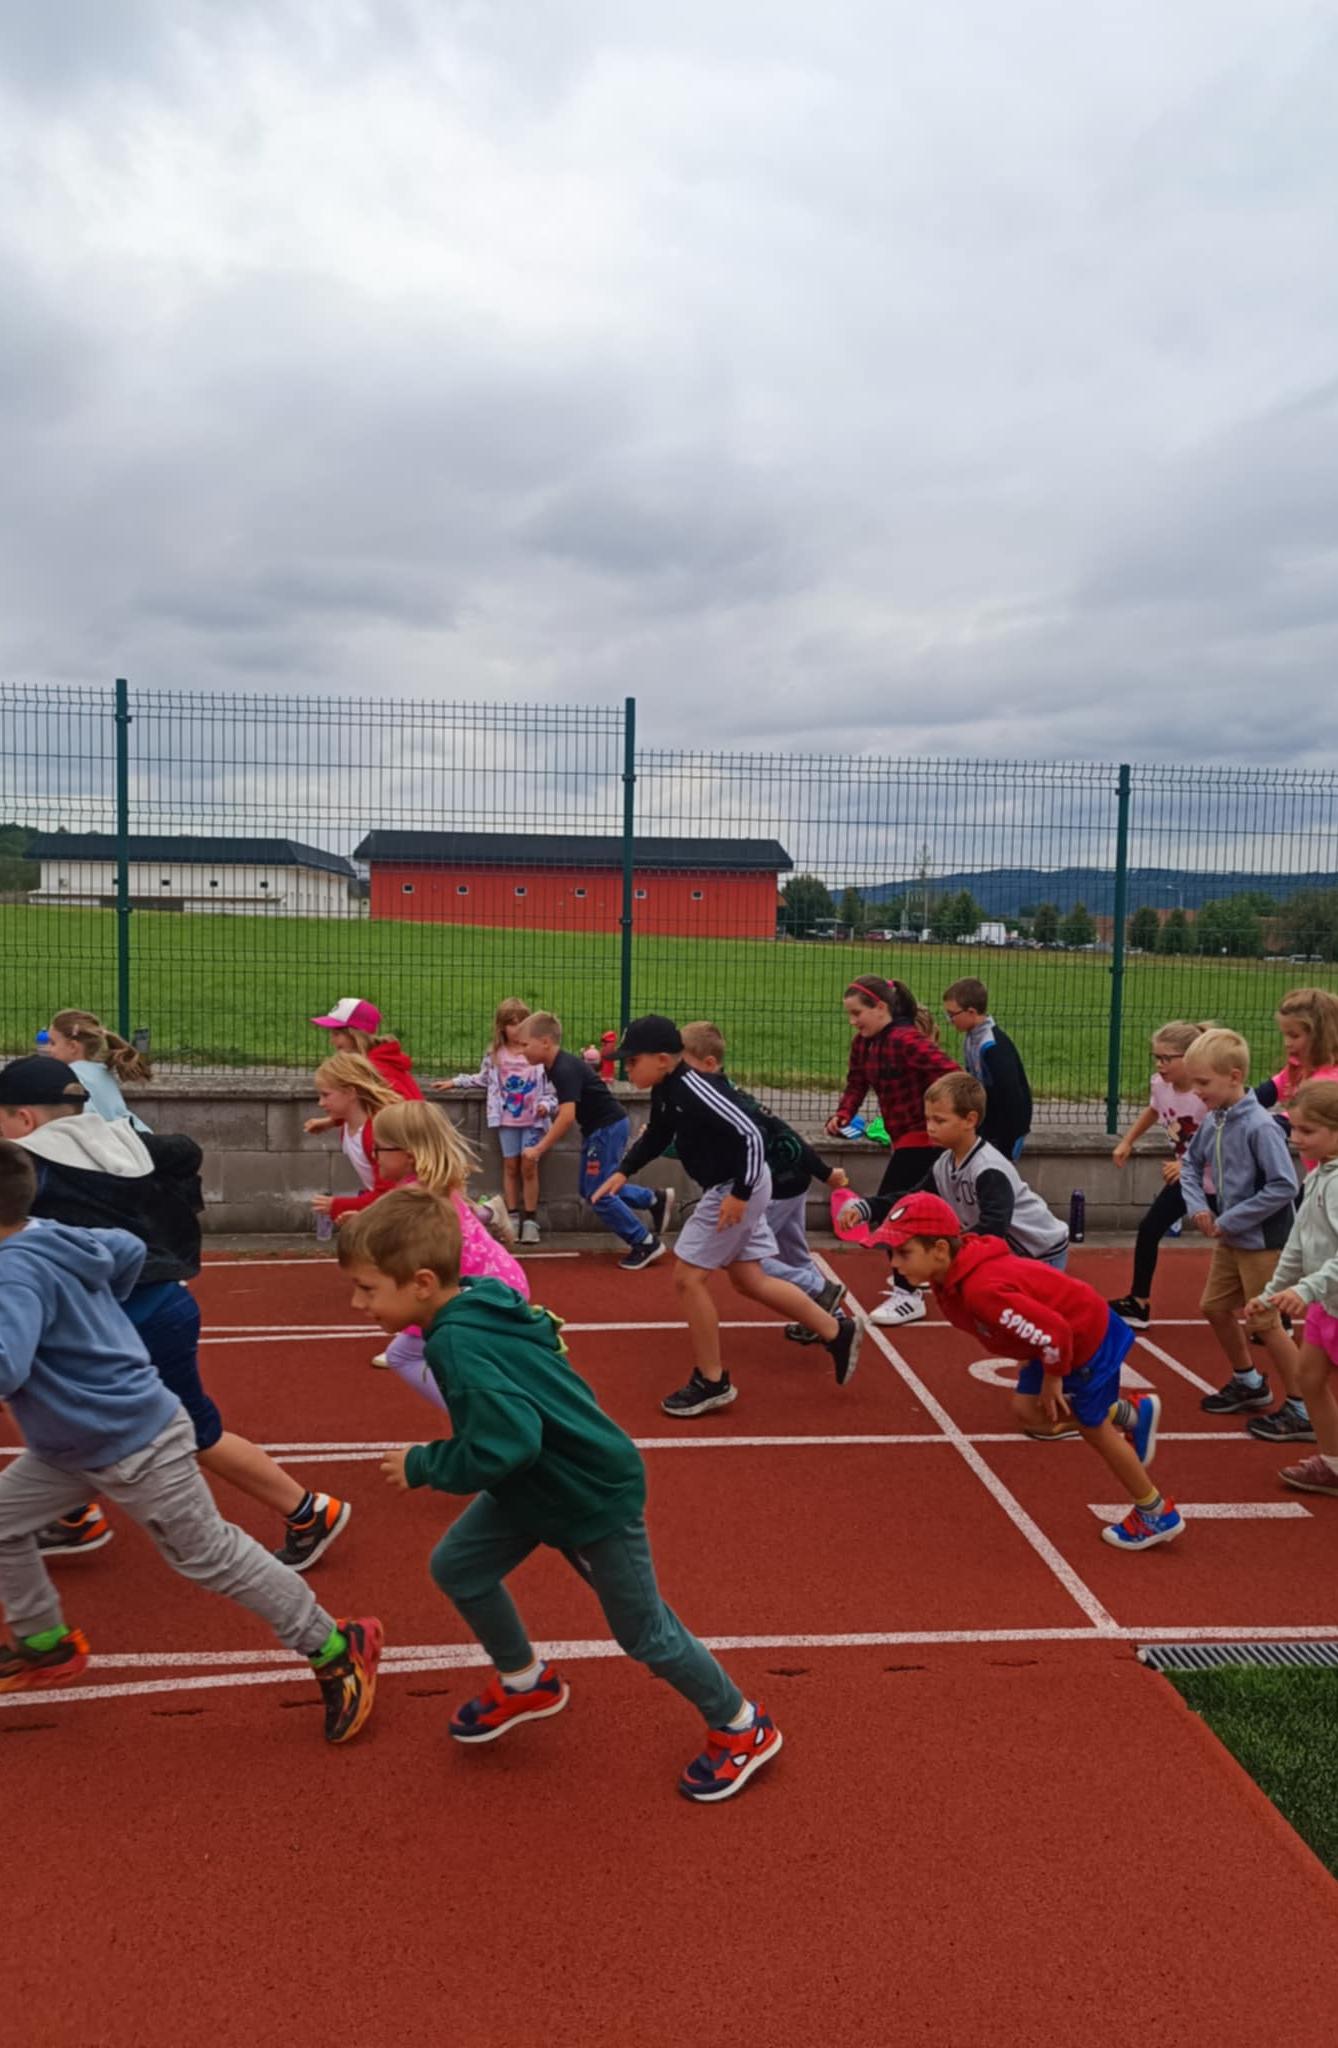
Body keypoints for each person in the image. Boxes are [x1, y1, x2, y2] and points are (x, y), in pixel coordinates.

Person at [339, 1185, 781, 1800]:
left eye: (367, 1288)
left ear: (418, 1283)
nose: (357, 1302)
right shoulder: (477, 1300)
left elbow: (506, 1443)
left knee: (644, 1632)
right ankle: (526, 1682)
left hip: (587, 1493)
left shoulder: (453, 1343)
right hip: (538, 1487)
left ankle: (742, 1725)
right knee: (459, 1566)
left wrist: (425, 1464)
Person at [0, 1139, 381, 1736]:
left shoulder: (12, 1274)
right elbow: (125, 1249)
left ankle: (336, 1645)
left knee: (210, 1558)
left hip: (134, 1441)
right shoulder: (49, 1232)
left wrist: (95, 1327)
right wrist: (102, 1317)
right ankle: (45, 1642)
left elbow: (6, 1366)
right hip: (69, 1447)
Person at [0, 1055, 350, 1572]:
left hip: (130, 1314)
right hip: (157, 1299)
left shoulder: (36, 1167)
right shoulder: (119, 1140)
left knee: (187, 1428)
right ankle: (72, 1515)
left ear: (24, 1119)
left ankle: (309, 1509)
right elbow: (184, 1151)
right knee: (70, 1407)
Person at [875, 1191, 1180, 1549]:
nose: (894, 1263)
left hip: (1083, 1339)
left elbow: (1055, 1331)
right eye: (892, 1253)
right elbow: (1030, 1317)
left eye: (903, 1253)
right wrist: (1026, 1346)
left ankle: (1155, 1511)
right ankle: (1132, 1413)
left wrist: (1053, 1377)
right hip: (1055, 1339)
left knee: (1090, 1425)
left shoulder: (981, 1289)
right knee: (1029, 1413)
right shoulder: (954, 1274)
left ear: (940, 1250)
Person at [595, 1015, 861, 1415]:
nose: (627, 1067)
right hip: (734, 1186)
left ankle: (712, 1379)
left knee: (688, 1278)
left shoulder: (696, 1089)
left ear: (664, 1059)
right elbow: (658, 1135)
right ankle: (835, 1330)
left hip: (737, 1186)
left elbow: (753, 1134)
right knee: (749, 1278)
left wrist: (740, 1193)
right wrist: (623, 1170)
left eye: (633, 1061)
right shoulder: (667, 1090)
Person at [678, 1022, 850, 1345]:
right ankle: (831, 1319)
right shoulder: (714, 1096)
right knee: (794, 1254)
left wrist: (826, 1172)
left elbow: (786, 1134)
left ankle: (820, 1290)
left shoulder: (731, 1103)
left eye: (683, 1064)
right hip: (791, 1184)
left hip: (773, 1188)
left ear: (709, 1064)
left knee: (747, 1262)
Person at [363, 1098, 530, 1402]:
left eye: (379, 1149)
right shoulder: (437, 1186)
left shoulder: (416, 1198)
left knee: (403, 1356)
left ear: (409, 1156)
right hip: (497, 1284)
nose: (375, 1157)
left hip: (476, 1294)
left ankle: (479, 1414)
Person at [1178, 1029, 1301, 1435]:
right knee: (1214, 1307)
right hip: (1231, 1240)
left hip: (1263, 1242)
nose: (1196, 1092)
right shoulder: (1214, 1120)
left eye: (1203, 1083)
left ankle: (1303, 1406)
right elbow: (1190, 1165)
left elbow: (1284, 1185)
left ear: (1234, 1076)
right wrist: (1197, 1207)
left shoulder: (1259, 1126)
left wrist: (1230, 1219)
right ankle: (1248, 1382)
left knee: (1266, 1324)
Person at [824, 976, 959, 1329]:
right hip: (902, 1138)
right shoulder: (864, 1044)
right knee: (925, 1212)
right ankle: (930, 1272)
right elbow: (857, 1082)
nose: (853, 1021)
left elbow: (954, 1076)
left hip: (924, 1140)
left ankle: (907, 1296)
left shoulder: (906, 1040)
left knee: (895, 1214)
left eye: (858, 1013)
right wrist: (844, 1114)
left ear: (881, 1008)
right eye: (850, 1015)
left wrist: (936, 1117)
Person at [838, 1071, 1068, 1266]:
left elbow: (995, 1225)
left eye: (939, 1121)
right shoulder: (945, 1163)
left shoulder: (988, 1169)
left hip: (1040, 1251)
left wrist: (949, 1249)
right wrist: (867, 1207)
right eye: (927, 1120)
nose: (930, 1128)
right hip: (1010, 1250)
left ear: (970, 1120)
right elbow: (914, 1199)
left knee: (1016, 1312)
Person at [521, 1011, 672, 1270]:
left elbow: (567, 1116)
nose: (521, 1050)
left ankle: (645, 1242)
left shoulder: (563, 1068)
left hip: (606, 1130)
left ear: (545, 1042)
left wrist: (539, 1148)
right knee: (589, 1188)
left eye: (525, 1044)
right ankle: (652, 1199)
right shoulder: (556, 1067)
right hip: (603, 1129)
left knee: (597, 1194)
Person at [1245, 1082, 1338, 1498]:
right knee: (1308, 1376)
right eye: (1294, 1129)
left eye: (1307, 1131)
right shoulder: (1319, 1175)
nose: (1295, 1139)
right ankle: (1334, 1462)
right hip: (1327, 1304)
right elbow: (1299, 1243)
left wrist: (1306, 1287)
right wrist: (1272, 1292)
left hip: (1324, 1295)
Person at [1107, 1021, 1212, 1329]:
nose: (1160, 1065)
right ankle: (1138, 1303)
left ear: (1191, 1058)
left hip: (1222, 1180)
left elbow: (1225, 1136)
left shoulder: (1205, 1094)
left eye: (1168, 1058)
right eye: (1157, 1057)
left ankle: (1277, 1311)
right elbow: (1154, 1110)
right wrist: (1128, 1140)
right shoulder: (1159, 1085)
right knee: (1150, 1228)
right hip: (1188, 1180)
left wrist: (1187, 1163)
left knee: (1245, 1245)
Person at [433, 998, 555, 1245]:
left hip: (533, 1121)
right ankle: (510, 1217)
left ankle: (530, 1219)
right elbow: (483, 1079)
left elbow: (551, 1090)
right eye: (511, 1023)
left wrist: (546, 1105)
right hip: (507, 1120)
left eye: (521, 1022)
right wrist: (456, 1082)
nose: (516, 1028)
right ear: (501, 1027)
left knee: (529, 1168)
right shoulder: (495, 1055)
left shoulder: (536, 1054)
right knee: (510, 1167)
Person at [306, 1052, 403, 1225]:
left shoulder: (374, 1135)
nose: (320, 1103)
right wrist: (330, 1122)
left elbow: (388, 1194)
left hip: (406, 1211)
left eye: (326, 1095)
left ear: (351, 1093)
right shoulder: (350, 1123)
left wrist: (337, 1205)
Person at [940, 980, 1032, 1158]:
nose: (949, 1020)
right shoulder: (971, 1038)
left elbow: (1011, 1095)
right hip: (988, 1124)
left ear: (971, 1012)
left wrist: (1005, 1140)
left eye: (952, 1015)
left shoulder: (992, 1046)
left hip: (1007, 1129)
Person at [1255, 988, 1338, 1170]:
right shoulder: (1299, 1067)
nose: (1287, 1042)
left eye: (1294, 1035)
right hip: (1317, 1172)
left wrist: (1247, 1125)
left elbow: (1287, 1122)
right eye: (1284, 1034)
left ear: (1320, 1037)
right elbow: (1264, 1093)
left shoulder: (1328, 1083)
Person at [43, 1009, 152, 1132]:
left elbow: (87, 1122)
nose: (48, 1049)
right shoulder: (101, 1070)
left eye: (53, 1043)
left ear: (73, 1047)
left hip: (118, 1143)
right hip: (135, 1136)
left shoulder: (70, 1076)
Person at [309, 998, 422, 1103]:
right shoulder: (375, 1059)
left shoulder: (376, 1067)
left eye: (336, 1034)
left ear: (356, 1035)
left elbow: (399, 1108)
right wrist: (331, 1121)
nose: (332, 1041)